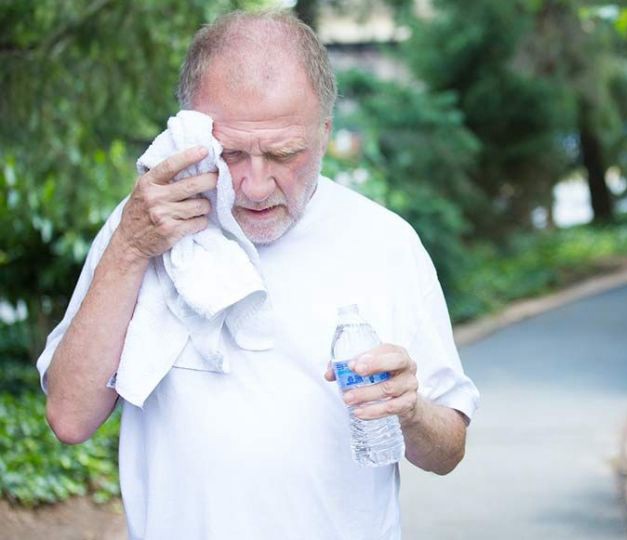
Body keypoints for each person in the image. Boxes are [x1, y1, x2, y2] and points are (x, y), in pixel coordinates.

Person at [35, 9, 479, 540]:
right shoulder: (145, 225)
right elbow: (69, 417)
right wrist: (130, 248)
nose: (255, 185)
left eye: (284, 154)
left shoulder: (385, 242)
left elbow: (448, 450)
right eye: (230, 154)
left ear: (324, 133)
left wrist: (410, 411)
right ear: (191, 131)